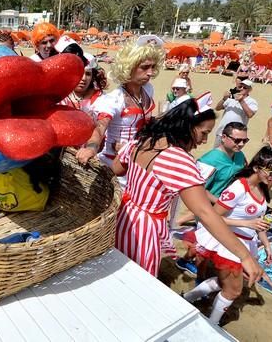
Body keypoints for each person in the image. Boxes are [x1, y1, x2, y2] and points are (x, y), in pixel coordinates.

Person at [110, 97, 264, 283]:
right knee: (139, 280)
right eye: (204, 132)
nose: (205, 140)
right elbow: (204, 212)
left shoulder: (144, 140)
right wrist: (244, 255)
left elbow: (116, 169)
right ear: (187, 126)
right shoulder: (177, 159)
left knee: (116, 269)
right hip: (145, 227)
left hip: (123, 216)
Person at [184, 147, 272, 325]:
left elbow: (258, 221)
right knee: (233, 291)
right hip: (228, 245)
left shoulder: (263, 188)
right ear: (256, 168)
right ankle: (212, 324)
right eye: (271, 171)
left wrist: (267, 245)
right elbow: (213, 216)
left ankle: (188, 298)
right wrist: (247, 224)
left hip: (246, 243)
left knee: (226, 283)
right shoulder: (238, 188)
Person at [76, 35, 164, 171]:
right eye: (145, 67)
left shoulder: (148, 89)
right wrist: (91, 149)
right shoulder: (114, 99)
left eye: (153, 67)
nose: (150, 73)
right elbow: (100, 128)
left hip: (137, 160)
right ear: (129, 66)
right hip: (114, 164)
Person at [174, 122, 249, 274]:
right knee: (206, 239)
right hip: (207, 207)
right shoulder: (209, 160)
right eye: (237, 140)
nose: (241, 144)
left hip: (224, 206)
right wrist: (220, 202)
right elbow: (198, 189)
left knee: (212, 238)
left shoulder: (240, 156)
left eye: (244, 141)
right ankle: (185, 261)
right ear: (224, 137)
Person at [213, 79, 257, 148]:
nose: (242, 88)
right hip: (222, 132)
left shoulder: (251, 101)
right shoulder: (231, 98)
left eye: (245, 87)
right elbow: (217, 108)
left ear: (250, 90)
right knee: (216, 153)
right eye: (240, 86)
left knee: (231, 155)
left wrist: (241, 101)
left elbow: (250, 114)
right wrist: (224, 99)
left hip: (236, 136)